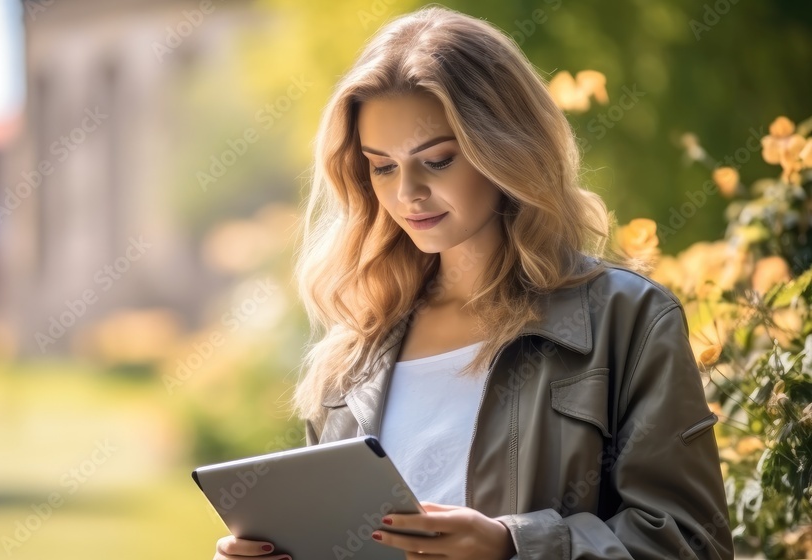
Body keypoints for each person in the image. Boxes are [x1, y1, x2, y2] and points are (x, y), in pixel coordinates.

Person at [212, 4, 733, 559]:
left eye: (436, 160)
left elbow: (692, 542)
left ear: (505, 148)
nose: (406, 193)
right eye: (382, 166)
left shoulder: (625, 319)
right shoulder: (357, 347)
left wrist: (513, 546)